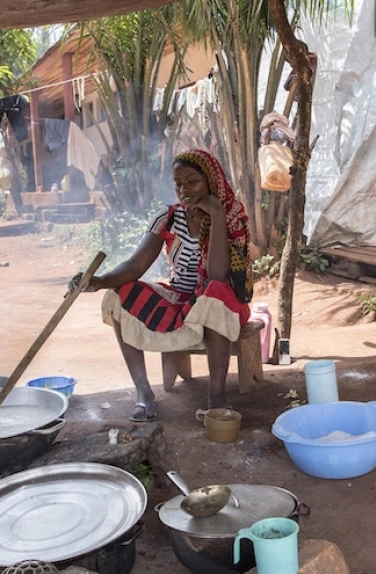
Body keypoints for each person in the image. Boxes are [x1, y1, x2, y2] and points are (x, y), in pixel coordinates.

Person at [70, 149, 253, 422]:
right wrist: (98, 281)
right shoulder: (167, 217)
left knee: (214, 292)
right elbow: (135, 266)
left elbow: (217, 275)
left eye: (192, 182)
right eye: (178, 183)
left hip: (224, 302)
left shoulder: (230, 217)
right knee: (121, 295)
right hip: (181, 297)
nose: (184, 190)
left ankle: (217, 398)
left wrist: (215, 215)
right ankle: (144, 393)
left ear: (211, 182)